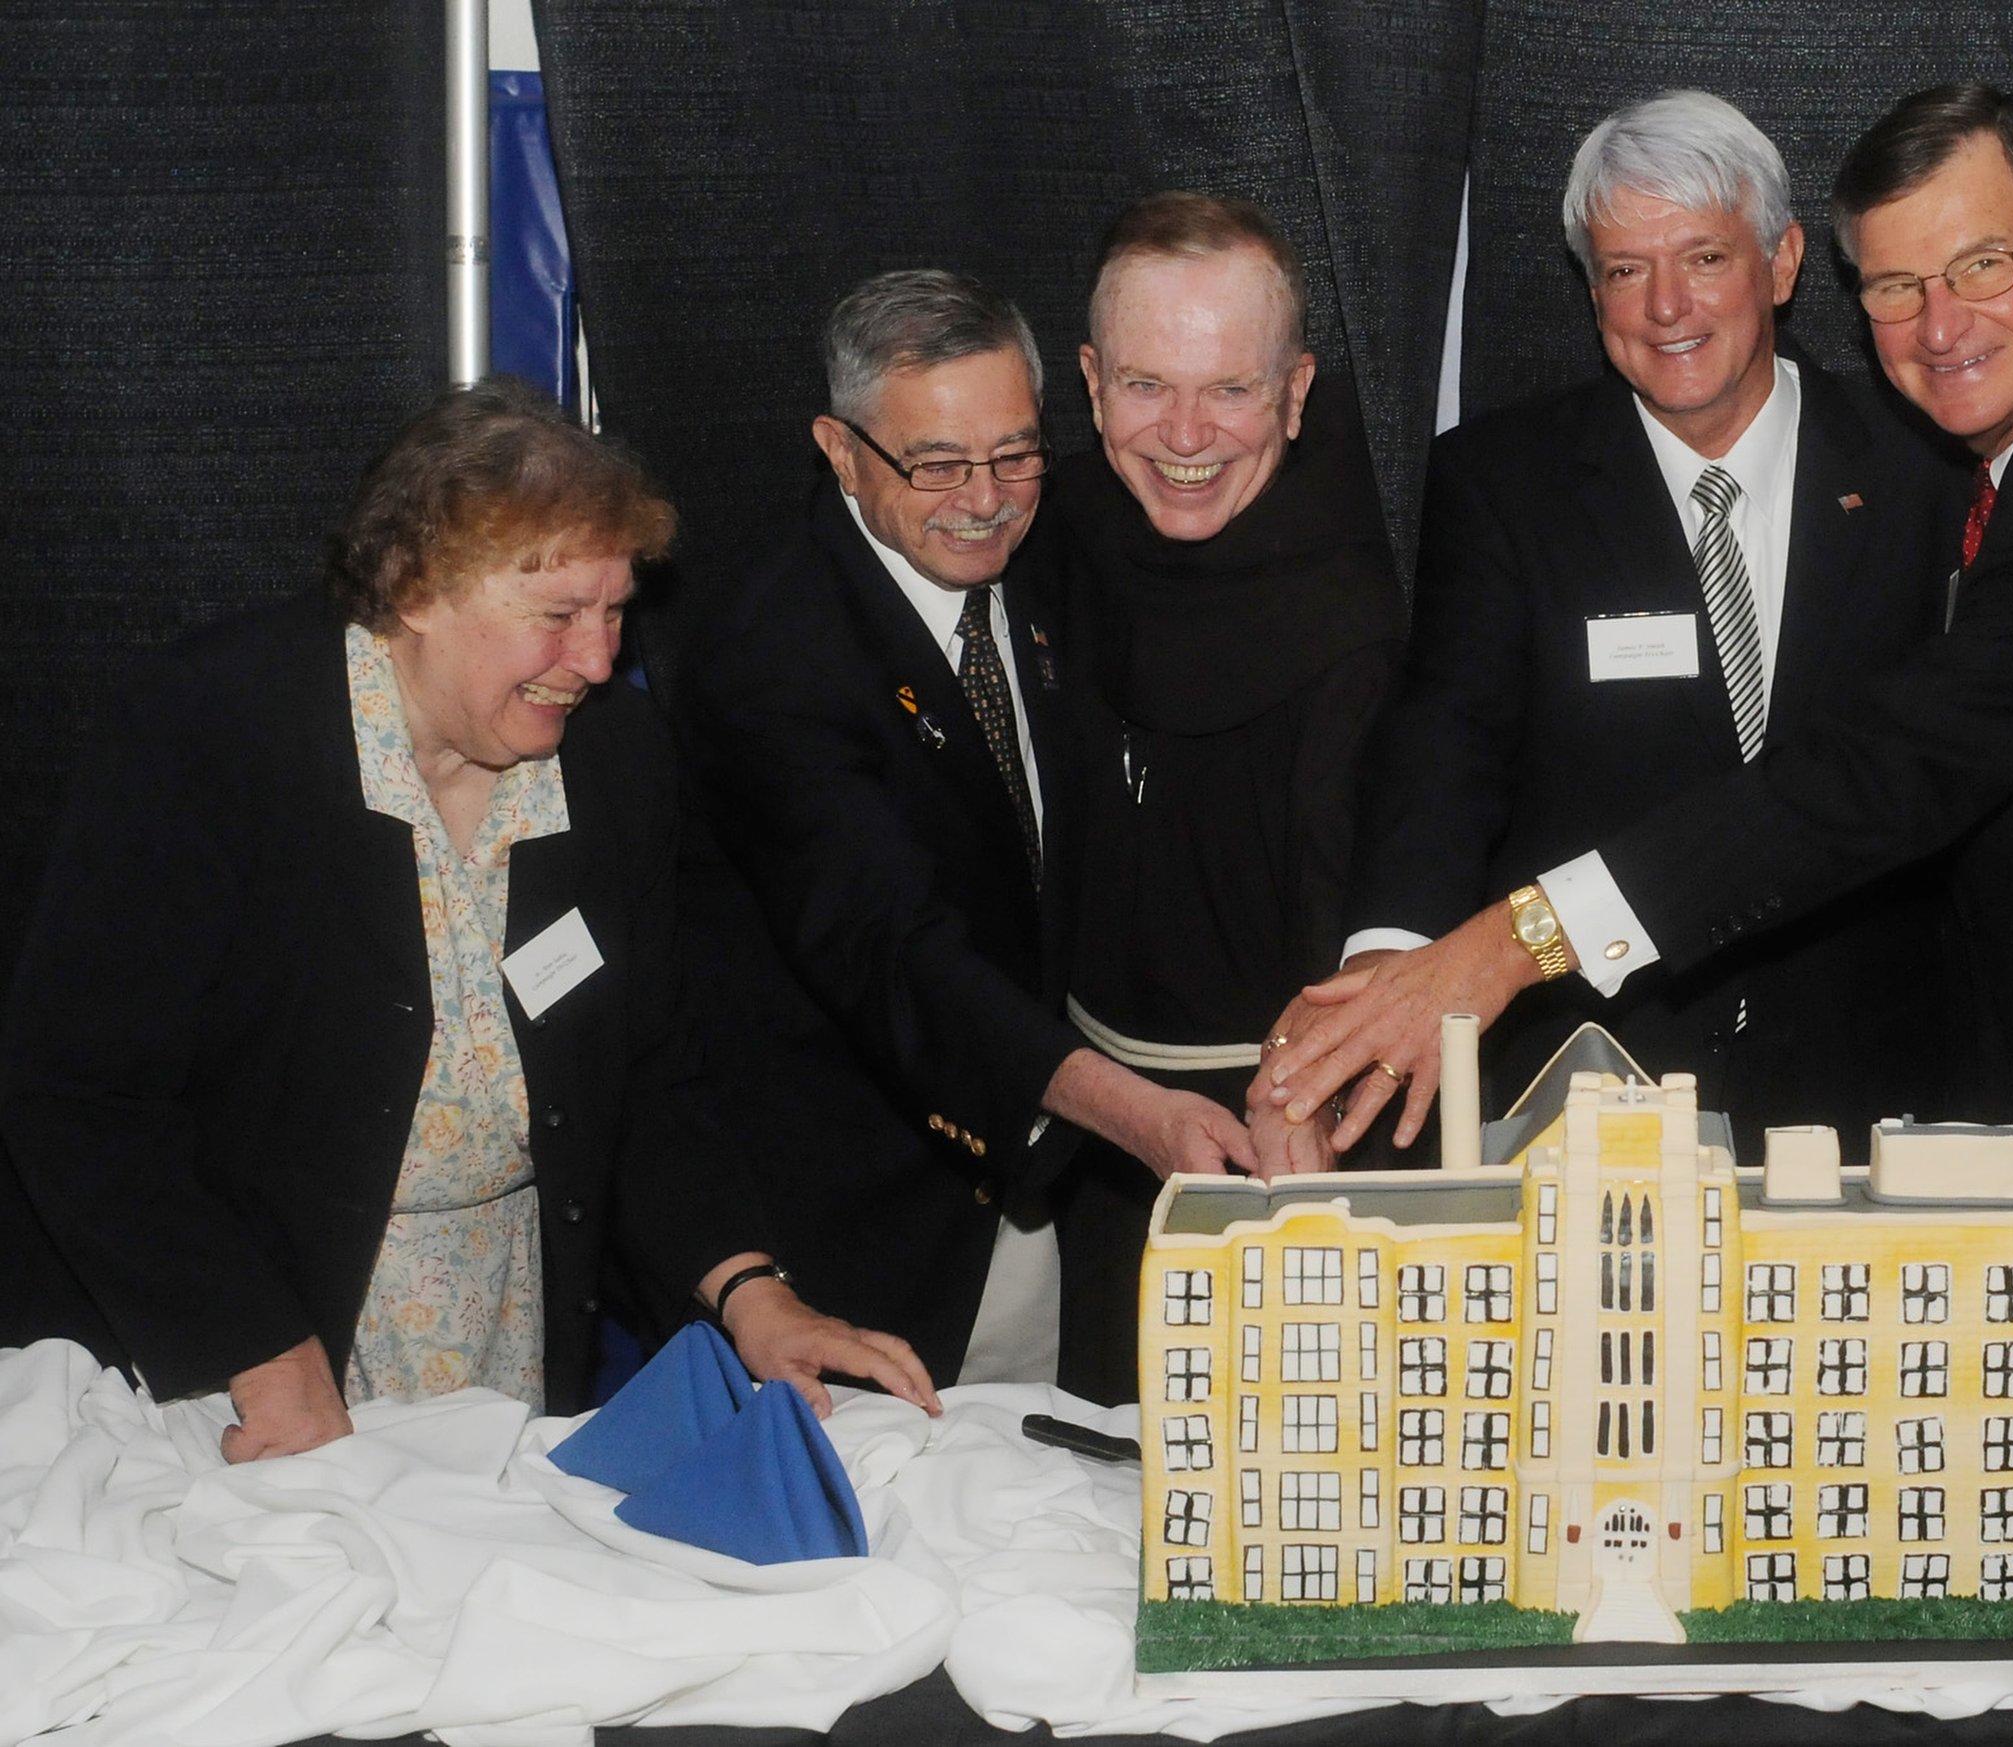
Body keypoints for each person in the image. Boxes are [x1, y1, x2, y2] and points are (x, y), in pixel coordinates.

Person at [1266, 84, 2013, 1387]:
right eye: (1899, 287)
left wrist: (1516, 937)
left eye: (1980, 265)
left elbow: (1877, 772)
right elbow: (1448, 741)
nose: (1940, 325)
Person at [0, 381, 937, 1461]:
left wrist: (749, 1289)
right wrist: (262, 1352)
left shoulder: (612, 760)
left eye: (615, 610)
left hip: (499, 1346)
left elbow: (646, 1084)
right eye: (555, 617)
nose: (595, 661)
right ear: (414, 589)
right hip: (227, 1364)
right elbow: (81, 1097)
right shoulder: (209, 736)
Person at [1271, 90, 1959, 1169]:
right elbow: (1445, 744)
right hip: (1593, 1077)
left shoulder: (1920, 468)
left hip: (1867, 1080)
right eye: (1624, 269)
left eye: (1703, 258)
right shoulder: (1503, 481)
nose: (1665, 306)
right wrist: (1387, 967)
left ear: (1780, 264)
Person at [671, 269, 1255, 1395]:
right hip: (852, 1246)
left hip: (1041, 1223)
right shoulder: (771, 654)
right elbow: (891, 944)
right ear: (840, 452)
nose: (983, 497)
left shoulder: (1052, 569)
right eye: (936, 463)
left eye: (1015, 452)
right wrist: (1131, 1109)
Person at [1045, 192, 1406, 1400]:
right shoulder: (1050, 539)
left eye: (1232, 389)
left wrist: (1301, 1090)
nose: (1186, 433)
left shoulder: (1387, 601)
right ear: (1090, 385)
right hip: (1104, 1137)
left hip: (1305, 1150)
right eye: (1146, 386)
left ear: (1297, 393)